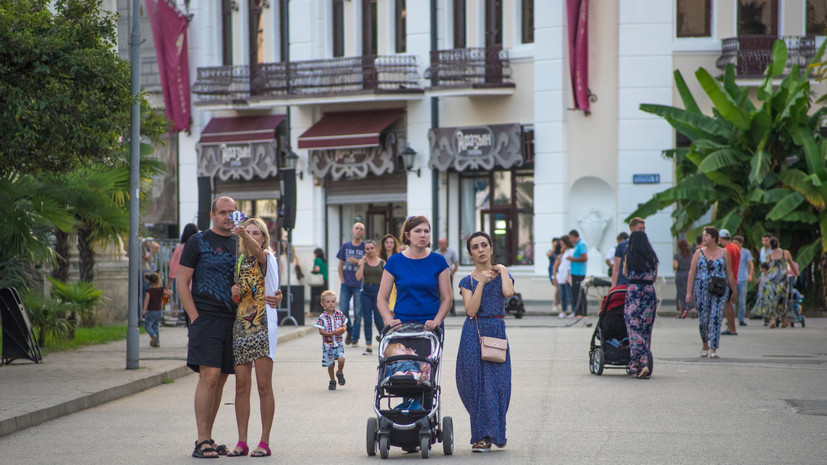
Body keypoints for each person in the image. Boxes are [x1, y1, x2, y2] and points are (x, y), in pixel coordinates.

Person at [177, 196, 239, 458]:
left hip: (233, 321)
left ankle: (209, 438)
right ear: (212, 215)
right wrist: (194, 317)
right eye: (223, 212)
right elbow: (182, 282)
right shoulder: (198, 241)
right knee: (210, 376)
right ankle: (201, 440)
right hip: (206, 319)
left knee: (221, 379)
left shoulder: (241, 242)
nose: (228, 216)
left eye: (232, 212)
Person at [456, 231, 514, 452]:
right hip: (474, 334)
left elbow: (508, 292)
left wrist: (504, 270)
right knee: (477, 386)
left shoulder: (503, 275)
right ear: (470, 253)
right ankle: (481, 437)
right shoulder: (466, 280)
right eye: (475, 247)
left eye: (483, 245)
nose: (480, 250)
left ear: (491, 248)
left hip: (496, 333)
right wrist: (480, 283)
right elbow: (471, 311)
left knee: (499, 386)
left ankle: (497, 433)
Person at [227, 217, 278, 458]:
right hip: (242, 325)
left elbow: (259, 254)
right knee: (240, 385)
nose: (251, 236)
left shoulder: (266, 255)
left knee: (264, 385)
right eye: (248, 232)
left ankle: (264, 441)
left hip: (264, 324)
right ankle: (242, 440)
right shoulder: (239, 261)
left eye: (256, 233)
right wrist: (234, 292)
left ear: (263, 237)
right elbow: (240, 295)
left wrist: (243, 235)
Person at [377, 215, 452, 331]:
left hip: (430, 327)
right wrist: (389, 320)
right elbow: (382, 297)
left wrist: (437, 321)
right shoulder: (394, 261)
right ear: (407, 235)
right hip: (401, 326)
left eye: (426, 231)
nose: (423, 235)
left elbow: (447, 298)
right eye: (417, 231)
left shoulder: (439, 261)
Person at [686, 226, 737, 359]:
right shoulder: (698, 253)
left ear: (714, 238)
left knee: (716, 317)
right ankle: (705, 344)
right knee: (703, 319)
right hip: (701, 288)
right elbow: (692, 272)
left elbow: (729, 273)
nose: (704, 238)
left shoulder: (724, 253)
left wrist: (734, 291)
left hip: (719, 288)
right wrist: (688, 292)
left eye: (706, 235)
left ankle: (714, 347)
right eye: (703, 235)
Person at [622, 231, 659, 379]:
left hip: (634, 292)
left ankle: (640, 363)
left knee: (633, 328)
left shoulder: (629, 256)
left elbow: (625, 273)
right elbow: (655, 277)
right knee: (645, 329)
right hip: (649, 292)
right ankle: (639, 363)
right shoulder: (652, 257)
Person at [337, 222, 365, 345]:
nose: (358, 230)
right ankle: (350, 330)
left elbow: (369, 263)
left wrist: (357, 261)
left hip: (360, 284)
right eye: (356, 228)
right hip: (346, 284)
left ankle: (354, 338)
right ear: (352, 231)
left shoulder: (365, 247)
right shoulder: (345, 246)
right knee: (343, 310)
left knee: (358, 312)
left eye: (361, 229)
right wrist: (342, 280)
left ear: (363, 232)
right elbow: (340, 264)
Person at [355, 240, 385, 355]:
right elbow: (358, 278)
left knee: (378, 319)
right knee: (367, 319)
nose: (370, 251)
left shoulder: (382, 262)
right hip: (366, 291)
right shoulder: (363, 262)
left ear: (376, 248)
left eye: (372, 248)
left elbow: (387, 278)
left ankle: (384, 342)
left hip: (378, 291)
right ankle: (368, 345)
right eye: (367, 249)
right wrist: (362, 263)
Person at [314, 290, 347, 390]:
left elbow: (344, 325)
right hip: (328, 345)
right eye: (328, 302)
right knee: (330, 364)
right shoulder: (322, 317)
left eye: (333, 301)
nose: (331, 304)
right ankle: (332, 380)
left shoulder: (339, 314)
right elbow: (320, 331)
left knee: (341, 359)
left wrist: (343, 329)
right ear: (322, 304)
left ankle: (340, 372)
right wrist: (330, 334)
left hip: (338, 343)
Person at [763, 238, 797, 328]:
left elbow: (766, 269)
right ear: (778, 244)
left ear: (770, 245)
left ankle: (773, 320)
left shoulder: (768, 256)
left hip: (772, 280)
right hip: (782, 280)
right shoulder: (785, 253)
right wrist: (796, 273)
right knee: (782, 299)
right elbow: (791, 264)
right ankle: (783, 320)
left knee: (772, 299)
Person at [168, 223, 199, 320]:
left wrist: (167, 285)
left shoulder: (180, 248)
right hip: (198, 283)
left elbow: (173, 268)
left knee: (187, 309)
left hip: (184, 283)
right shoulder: (199, 247)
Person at [718, 230, 741, 335]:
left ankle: (731, 328)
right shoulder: (735, 247)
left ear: (720, 238)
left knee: (727, 304)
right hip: (734, 277)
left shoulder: (727, 250)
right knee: (729, 304)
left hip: (729, 278)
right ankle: (731, 327)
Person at [611, 217, 646, 287]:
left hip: (641, 284)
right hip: (624, 284)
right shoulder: (622, 245)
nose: (642, 231)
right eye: (640, 228)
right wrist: (613, 287)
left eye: (643, 228)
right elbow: (616, 269)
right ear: (632, 228)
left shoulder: (646, 246)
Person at [143, 272, 172, 348]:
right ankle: (157, 342)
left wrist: (144, 310)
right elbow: (170, 293)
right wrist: (166, 289)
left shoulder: (149, 290)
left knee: (147, 325)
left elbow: (146, 300)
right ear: (158, 281)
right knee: (156, 326)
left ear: (150, 282)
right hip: (159, 311)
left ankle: (153, 335)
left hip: (151, 311)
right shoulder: (161, 290)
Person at [433, 237, 460, 316]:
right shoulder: (436, 253)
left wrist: (453, 273)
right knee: (437, 292)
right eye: (441, 243)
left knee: (449, 292)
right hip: (437, 276)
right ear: (439, 244)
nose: (443, 245)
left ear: (446, 243)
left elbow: (456, 263)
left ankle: (452, 310)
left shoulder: (451, 252)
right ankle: (438, 309)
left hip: (448, 275)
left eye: (444, 243)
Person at [732, 235, 754, 327]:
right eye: (733, 243)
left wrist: (750, 275)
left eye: (736, 243)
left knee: (741, 301)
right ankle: (731, 319)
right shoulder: (730, 252)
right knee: (732, 300)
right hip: (733, 279)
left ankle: (741, 319)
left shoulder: (746, 252)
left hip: (743, 279)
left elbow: (751, 265)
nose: (734, 245)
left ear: (741, 243)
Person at [567, 229, 588, 316]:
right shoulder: (577, 245)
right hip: (575, 272)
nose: (569, 240)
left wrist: (572, 259)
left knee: (580, 293)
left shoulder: (582, 244)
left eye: (570, 238)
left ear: (573, 236)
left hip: (579, 273)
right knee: (575, 293)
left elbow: (585, 258)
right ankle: (577, 312)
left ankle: (582, 312)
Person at [554, 236, 574, 318]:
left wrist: (568, 276)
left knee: (570, 294)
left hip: (566, 276)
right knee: (563, 295)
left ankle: (573, 310)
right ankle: (564, 310)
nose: (561, 245)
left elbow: (570, 265)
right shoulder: (564, 252)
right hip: (561, 276)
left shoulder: (571, 251)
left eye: (562, 244)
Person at [673, 239, 693, 318]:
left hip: (680, 275)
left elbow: (675, 266)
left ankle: (681, 311)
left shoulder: (677, 256)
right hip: (689, 274)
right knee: (691, 291)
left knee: (681, 293)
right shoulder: (691, 255)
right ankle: (693, 309)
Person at [307, 248, 328, 318]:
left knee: (313, 296)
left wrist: (312, 271)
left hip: (317, 281)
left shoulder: (317, 260)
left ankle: (311, 312)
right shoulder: (324, 261)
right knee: (323, 296)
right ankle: (324, 311)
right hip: (324, 280)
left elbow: (317, 269)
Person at [546, 238, 561, 312]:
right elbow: (549, 254)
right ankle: (555, 303)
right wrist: (554, 248)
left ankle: (558, 303)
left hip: (559, 270)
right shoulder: (551, 251)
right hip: (552, 270)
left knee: (559, 288)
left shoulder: (559, 251)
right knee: (557, 287)